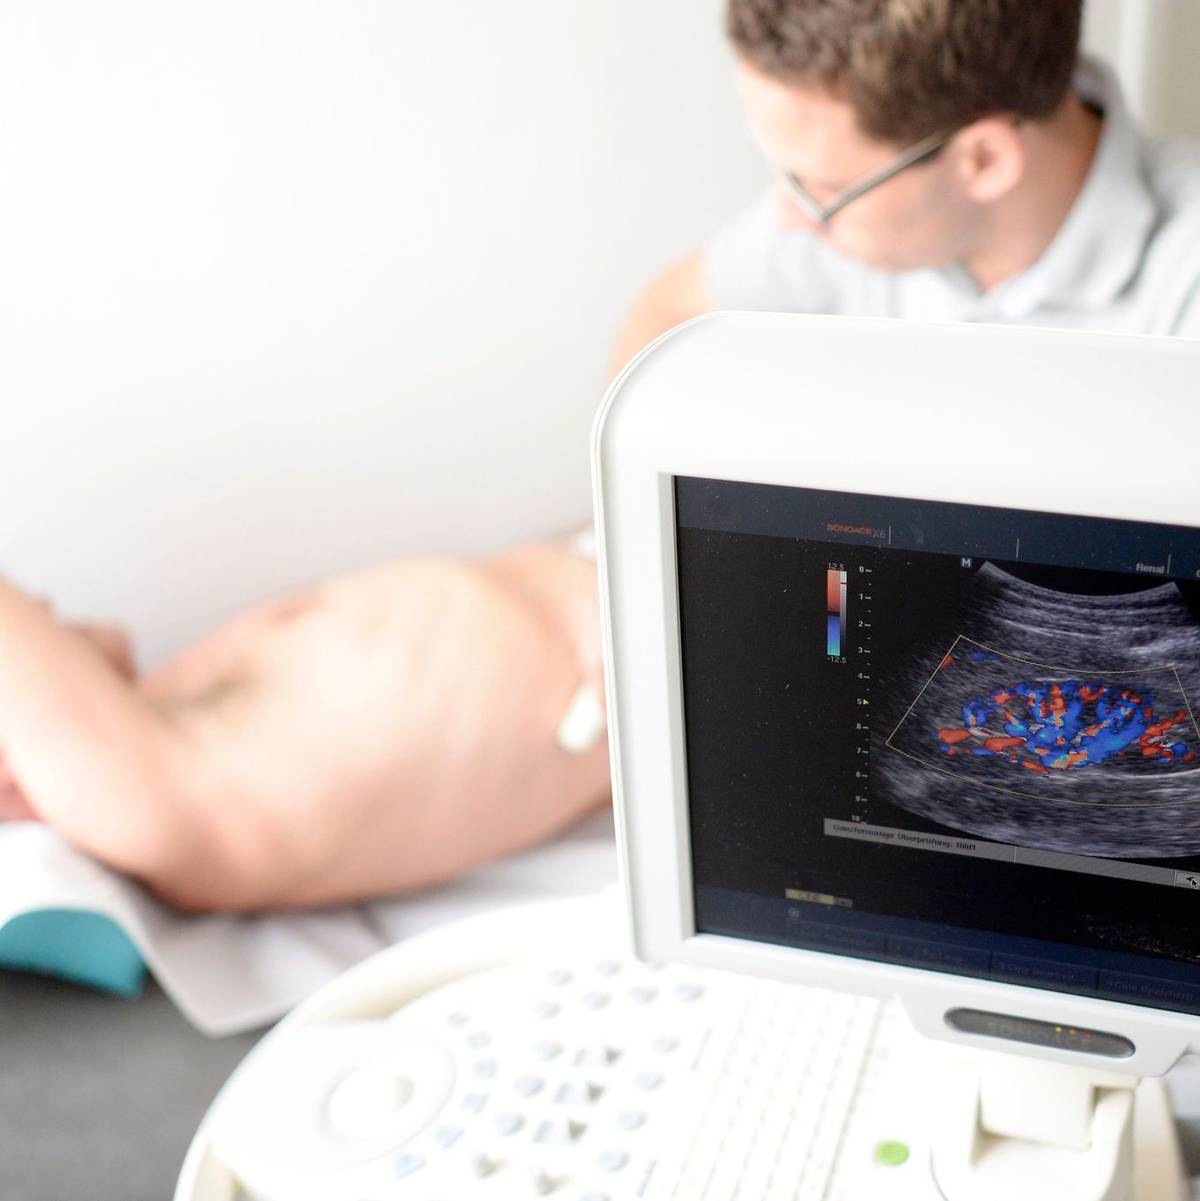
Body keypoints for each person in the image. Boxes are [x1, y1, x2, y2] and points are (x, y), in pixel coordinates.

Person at [4, 0, 1199, 912]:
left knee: (178, 789)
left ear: (983, 159)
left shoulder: (1175, 303)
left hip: (911, 708)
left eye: (818, 186)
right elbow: (665, 318)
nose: (785, 216)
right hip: (688, 624)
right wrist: (636, 543)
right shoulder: (877, 196)